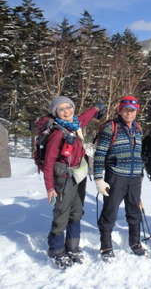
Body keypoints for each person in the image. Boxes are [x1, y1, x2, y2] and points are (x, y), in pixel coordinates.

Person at [44, 96, 103, 268]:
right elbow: (48, 163)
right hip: (63, 176)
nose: (66, 112)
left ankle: (72, 246)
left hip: (79, 174)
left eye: (68, 107)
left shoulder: (75, 124)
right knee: (62, 212)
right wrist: (50, 187)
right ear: (56, 113)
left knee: (77, 211)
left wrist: (96, 108)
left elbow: (84, 117)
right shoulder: (57, 133)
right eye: (61, 110)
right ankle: (56, 249)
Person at [93, 95, 145, 261]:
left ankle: (135, 242)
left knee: (134, 211)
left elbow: (138, 154)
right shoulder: (111, 127)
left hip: (135, 178)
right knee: (110, 211)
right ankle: (106, 245)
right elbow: (100, 153)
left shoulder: (138, 128)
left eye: (132, 110)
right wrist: (99, 178)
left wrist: (140, 174)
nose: (129, 113)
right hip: (115, 176)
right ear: (120, 110)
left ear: (137, 111)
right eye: (126, 110)